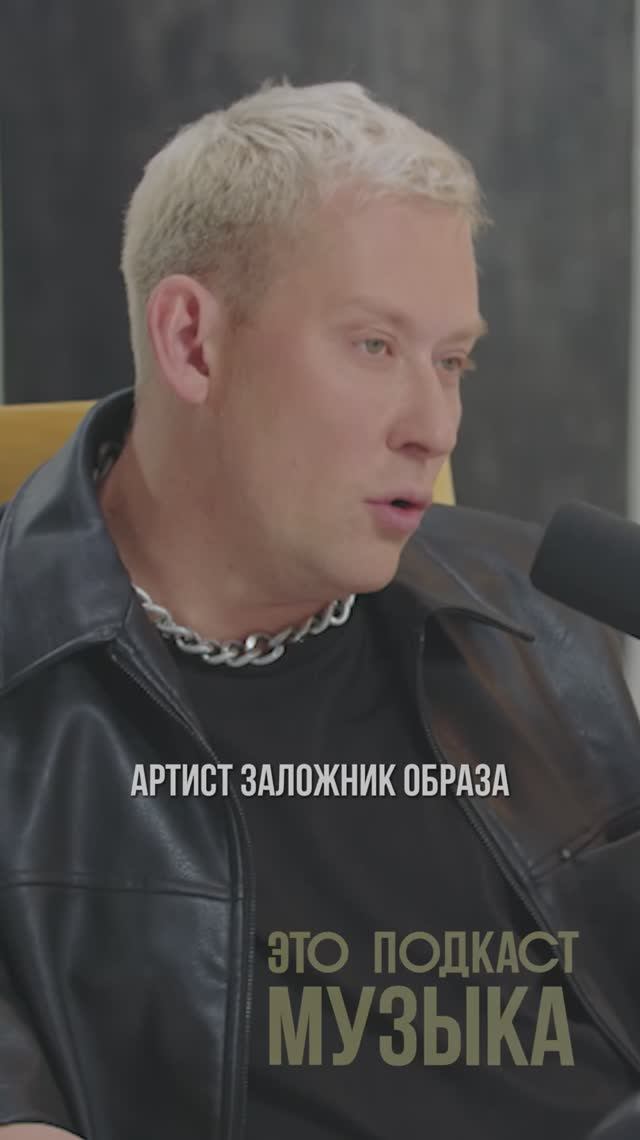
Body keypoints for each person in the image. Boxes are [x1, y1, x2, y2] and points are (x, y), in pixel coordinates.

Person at [1, 78, 640, 1140]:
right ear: (193, 342)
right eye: (374, 345)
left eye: (452, 361)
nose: (435, 425)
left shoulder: (536, 603)